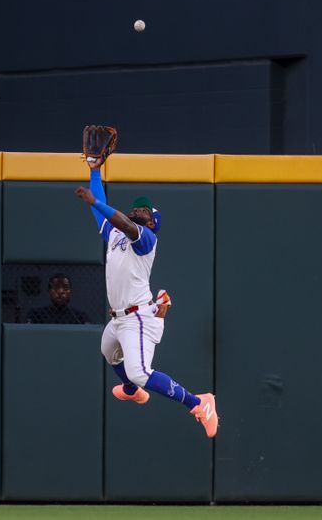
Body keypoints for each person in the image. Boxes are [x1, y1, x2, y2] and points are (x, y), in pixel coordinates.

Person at [74, 156, 219, 438]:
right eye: (137, 207)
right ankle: (131, 391)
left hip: (137, 318)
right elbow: (103, 213)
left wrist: (96, 203)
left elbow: (118, 219)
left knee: (139, 371)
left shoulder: (147, 238)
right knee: (109, 351)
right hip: (119, 317)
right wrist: (95, 171)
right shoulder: (115, 234)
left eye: (145, 211)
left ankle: (199, 403)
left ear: (152, 223)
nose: (139, 210)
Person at [26, 274, 91, 324]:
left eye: (65, 287)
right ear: (49, 292)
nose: (60, 291)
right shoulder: (36, 314)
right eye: (56, 287)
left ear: (70, 292)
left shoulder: (79, 317)